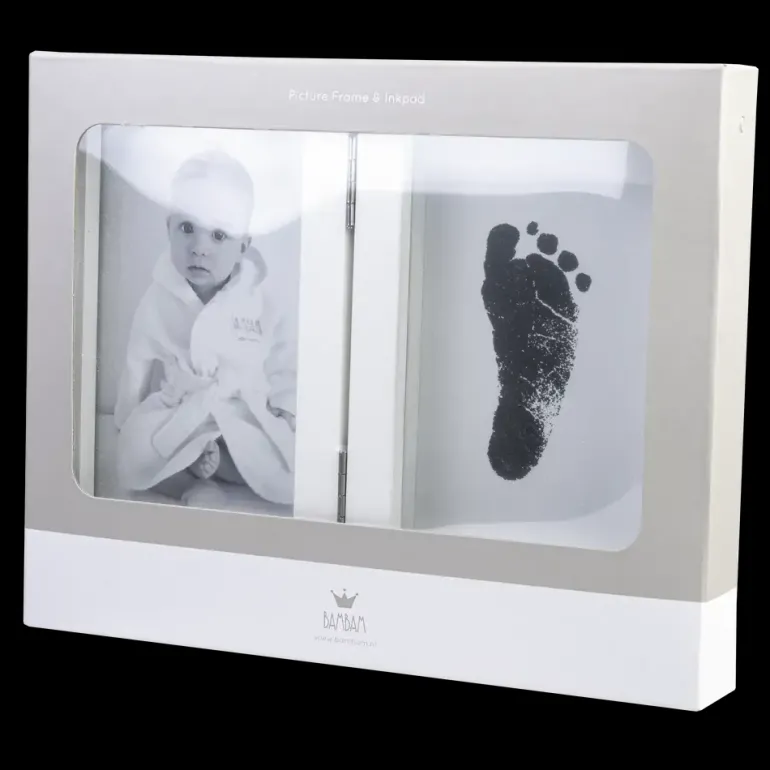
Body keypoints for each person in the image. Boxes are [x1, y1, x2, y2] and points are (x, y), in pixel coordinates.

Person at [113, 149, 297, 510]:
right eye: (187, 229)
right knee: (131, 459)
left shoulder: (261, 300)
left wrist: (286, 406)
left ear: (243, 245)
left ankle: (216, 463)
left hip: (240, 408)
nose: (199, 248)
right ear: (169, 228)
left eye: (219, 235)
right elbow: (138, 360)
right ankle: (190, 484)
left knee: (286, 475)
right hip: (180, 408)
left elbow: (283, 356)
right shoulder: (158, 298)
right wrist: (126, 417)